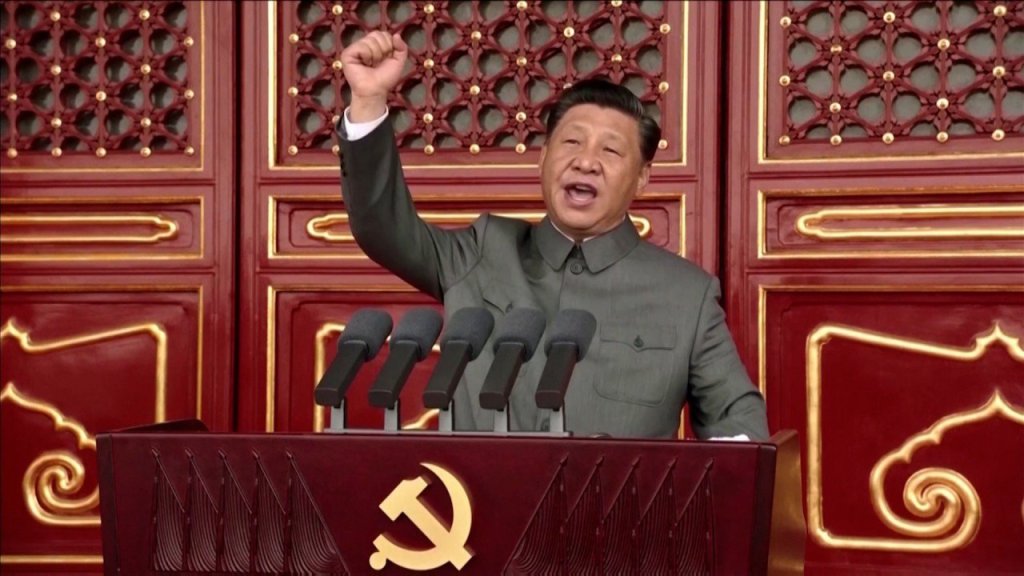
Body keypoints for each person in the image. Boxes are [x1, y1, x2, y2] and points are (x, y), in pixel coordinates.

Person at [336, 31, 768, 440]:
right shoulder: (481, 251)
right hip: (477, 495)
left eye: (610, 150)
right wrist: (369, 100)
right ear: (543, 159)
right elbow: (380, 226)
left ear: (641, 178)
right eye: (572, 143)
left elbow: (738, 417)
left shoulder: (685, 295)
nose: (586, 162)